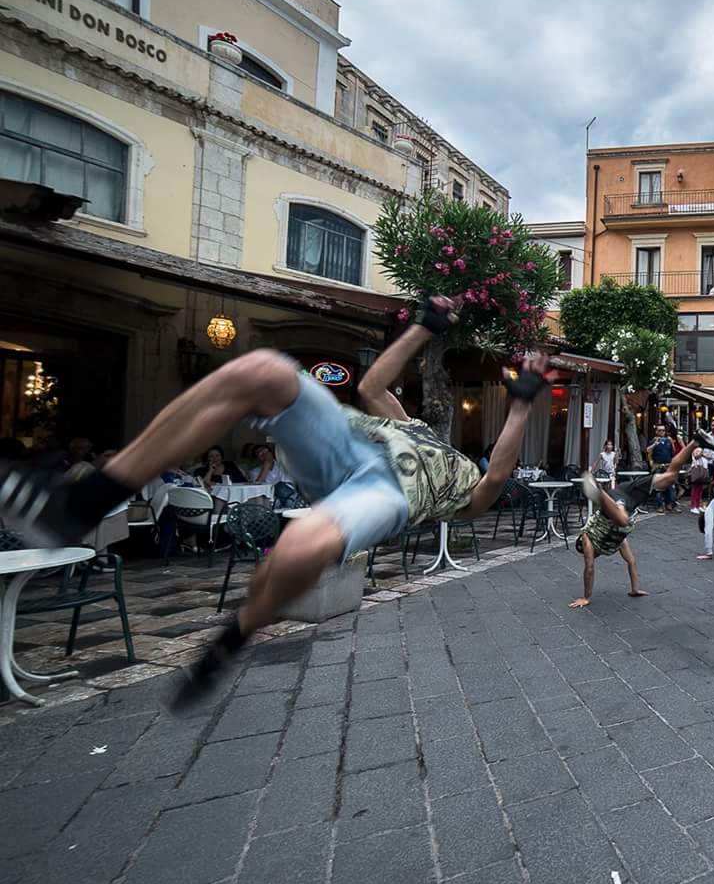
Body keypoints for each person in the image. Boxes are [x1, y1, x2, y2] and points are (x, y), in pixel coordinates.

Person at [0, 296, 549, 705]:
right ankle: (82, 503)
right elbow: (371, 388)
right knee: (261, 370)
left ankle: (234, 636)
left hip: (385, 493)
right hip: (349, 439)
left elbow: (498, 472)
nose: (477, 462)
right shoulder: (418, 427)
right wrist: (423, 328)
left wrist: (521, 404)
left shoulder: (469, 494)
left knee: (299, 548)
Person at [568, 430, 707, 608]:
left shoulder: (587, 539)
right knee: (669, 478)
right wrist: (635, 589)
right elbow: (631, 561)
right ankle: (695, 442)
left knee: (623, 520)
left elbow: (589, 568)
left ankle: (599, 492)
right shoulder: (617, 541)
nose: (593, 556)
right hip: (627, 493)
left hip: (616, 500)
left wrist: (586, 597)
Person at [645, 424, 680, 512]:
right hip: (658, 466)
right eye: (659, 430)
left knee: (671, 486)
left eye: (663, 430)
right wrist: (654, 445)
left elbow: (673, 453)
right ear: (656, 431)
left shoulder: (668, 441)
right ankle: (659, 505)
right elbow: (648, 451)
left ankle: (671, 504)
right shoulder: (653, 441)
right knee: (658, 487)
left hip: (668, 466)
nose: (661, 432)